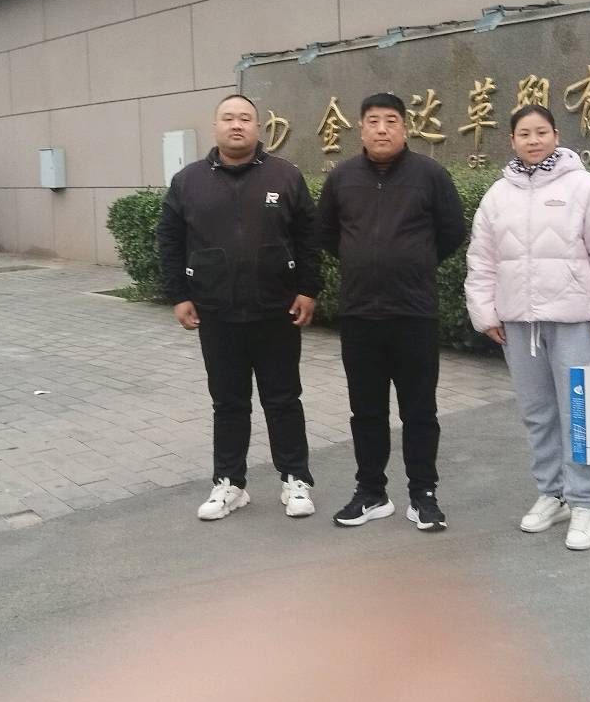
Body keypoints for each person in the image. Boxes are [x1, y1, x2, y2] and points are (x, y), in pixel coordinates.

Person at [464, 104, 590, 551]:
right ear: (512, 140)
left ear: (556, 134)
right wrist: (486, 312)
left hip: (575, 320)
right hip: (519, 323)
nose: (533, 140)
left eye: (541, 132)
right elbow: (482, 259)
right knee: (536, 412)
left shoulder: (585, 187)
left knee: (581, 413)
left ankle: (585, 503)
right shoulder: (498, 195)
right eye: (524, 133)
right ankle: (552, 494)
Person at [157, 94, 321, 522]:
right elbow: (170, 241)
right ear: (215, 127)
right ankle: (229, 483)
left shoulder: (285, 176)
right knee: (228, 403)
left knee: (283, 399)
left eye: (245, 118)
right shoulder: (188, 181)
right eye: (228, 118)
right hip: (217, 312)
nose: (236, 125)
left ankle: (295, 479)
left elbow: (309, 237)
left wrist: (308, 289)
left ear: (258, 127)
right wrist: (179, 295)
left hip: (276, 311)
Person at [317, 93, 466, 531]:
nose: (382, 129)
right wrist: (364, 260)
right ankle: (371, 493)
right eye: (373, 121)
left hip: (413, 314)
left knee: (419, 411)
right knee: (366, 411)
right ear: (361, 128)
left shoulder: (430, 175)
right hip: (360, 314)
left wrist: (414, 261)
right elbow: (326, 233)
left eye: (391, 121)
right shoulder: (342, 178)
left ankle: (423, 495)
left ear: (405, 127)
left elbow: (452, 231)